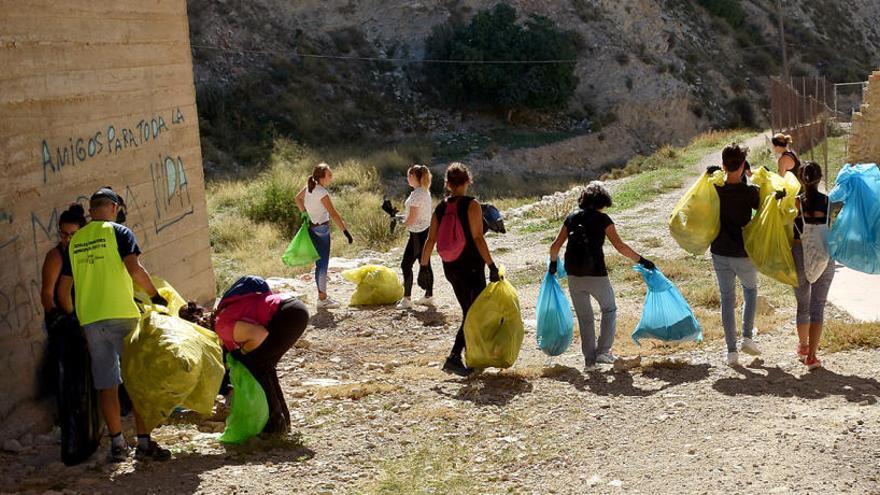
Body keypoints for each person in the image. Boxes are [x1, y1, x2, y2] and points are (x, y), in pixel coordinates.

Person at [57, 187, 171, 462]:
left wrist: (76, 316)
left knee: (107, 385)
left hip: (91, 322)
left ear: (92, 209)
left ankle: (118, 445)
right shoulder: (119, 232)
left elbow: (63, 288)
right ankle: (144, 444)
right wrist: (156, 296)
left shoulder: (76, 240)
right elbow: (135, 269)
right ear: (112, 207)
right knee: (137, 379)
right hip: (122, 316)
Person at [548, 181, 655, 369]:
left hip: (574, 275)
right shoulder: (603, 219)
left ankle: (589, 361)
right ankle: (604, 352)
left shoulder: (571, 218)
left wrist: (553, 265)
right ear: (602, 201)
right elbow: (620, 246)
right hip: (596, 273)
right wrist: (642, 260)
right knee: (609, 309)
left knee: (585, 318)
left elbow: (555, 246)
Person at [420, 162, 499, 377]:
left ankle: (473, 356)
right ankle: (454, 357)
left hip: (450, 266)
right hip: (472, 265)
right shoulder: (472, 205)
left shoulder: (441, 207)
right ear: (467, 182)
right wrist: (492, 265)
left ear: (447, 184)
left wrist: (424, 267)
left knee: (469, 311)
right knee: (473, 312)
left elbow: (430, 240)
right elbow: (477, 238)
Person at [212, 285, 309, 434]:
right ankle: (283, 422)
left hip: (288, 314)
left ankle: (275, 426)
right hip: (293, 309)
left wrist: (244, 353)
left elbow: (259, 334)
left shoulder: (222, 326)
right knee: (265, 366)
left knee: (259, 366)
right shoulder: (224, 317)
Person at [710, 143, 762, 366]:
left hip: (719, 251)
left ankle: (731, 351)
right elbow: (765, 209)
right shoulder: (750, 192)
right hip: (743, 252)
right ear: (743, 166)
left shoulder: (715, 191)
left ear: (723, 165)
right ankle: (747, 337)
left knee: (726, 299)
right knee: (750, 291)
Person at [791, 162, 834, 370]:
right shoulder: (828, 202)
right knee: (818, 306)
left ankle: (803, 346)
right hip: (824, 256)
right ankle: (812, 357)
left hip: (800, 254)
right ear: (820, 178)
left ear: (801, 179)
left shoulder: (796, 203)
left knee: (803, 304)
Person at [295, 163, 353, 310]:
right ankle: (322, 299)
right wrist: (345, 231)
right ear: (321, 177)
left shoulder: (310, 187)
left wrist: (305, 213)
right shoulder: (321, 192)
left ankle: (322, 296)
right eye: (329, 175)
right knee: (323, 265)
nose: (331, 177)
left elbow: (297, 199)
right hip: (321, 230)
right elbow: (334, 214)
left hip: (311, 228)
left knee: (318, 264)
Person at [397, 165, 435, 309]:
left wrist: (401, 223)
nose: (408, 178)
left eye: (409, 175)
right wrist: (403, 217)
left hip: (417, 234)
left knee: (406, 265)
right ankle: (428, 295)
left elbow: (411, 219)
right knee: (425, 263)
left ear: (414, 177)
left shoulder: (416, 195)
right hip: (425, 232)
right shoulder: (425, 192)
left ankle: (406, 299)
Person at [41, 204, 87, 325]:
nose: (68, 239)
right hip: (63, 322)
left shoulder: (85, 252)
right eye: (64, 234)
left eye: (73, 235)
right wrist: (56, 315)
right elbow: (47, 294)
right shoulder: (55, 257)